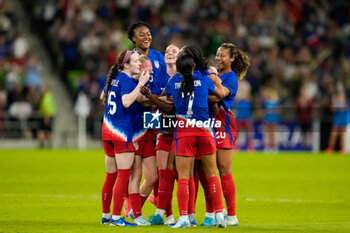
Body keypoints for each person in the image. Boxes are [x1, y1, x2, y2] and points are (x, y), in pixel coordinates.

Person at [165, 52, 227, 228]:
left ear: (178, 68)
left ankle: (184, 217)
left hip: (184, 133)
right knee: (212, 175)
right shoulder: (205, 79)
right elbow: (220, 94)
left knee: (184, 177)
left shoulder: (173, 81)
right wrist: (216, 79)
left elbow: (166, 96)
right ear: (194, 66)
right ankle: (220, 215)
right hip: (205, 131)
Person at [202, 43, 250, 226]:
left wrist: (199, 94)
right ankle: (216, 210)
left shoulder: (231, 78)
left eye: (223, 55)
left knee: (223, 169)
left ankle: (231, 214)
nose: (218, 58)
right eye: (217, 55)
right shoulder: (216, 75)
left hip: (223, 124)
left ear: (232, 59)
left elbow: (217, 97)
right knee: (207, 170)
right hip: (206, 122)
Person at [99, 50, 150, 226]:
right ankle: (116, 217)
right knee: (123, 175)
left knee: (111, 175)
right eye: (136, 61)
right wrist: (141, 83)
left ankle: (106, 216)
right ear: (126, 65)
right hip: (121, 132)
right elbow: (127, 101)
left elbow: (102, 96)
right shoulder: (127, 80)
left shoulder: (115, 78)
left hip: (107, 130)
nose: (139, 64)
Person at [127, 21, 168, 204]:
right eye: (142, 34)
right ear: (133, 38)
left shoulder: (158, 56)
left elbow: (166, 83)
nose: (146, 37)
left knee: (159, 165)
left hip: (155, 113)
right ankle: (129, 205)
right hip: (136, 116)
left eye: (148, 33)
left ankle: (156, 202)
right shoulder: (129, 59)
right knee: (135, 169)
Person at [325, 89, 350, 154]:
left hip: (343, 122)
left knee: (342, 137)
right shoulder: (336, 103)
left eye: (342, 96)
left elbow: (343, 109)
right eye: (340, 96)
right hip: (336, 122)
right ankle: (330, 148)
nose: (341, 97)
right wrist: (334, 102)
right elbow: (332, 110)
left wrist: (340, 103)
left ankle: (342, 149)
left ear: (344, 97)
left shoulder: (346, 103)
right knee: (333, 136)